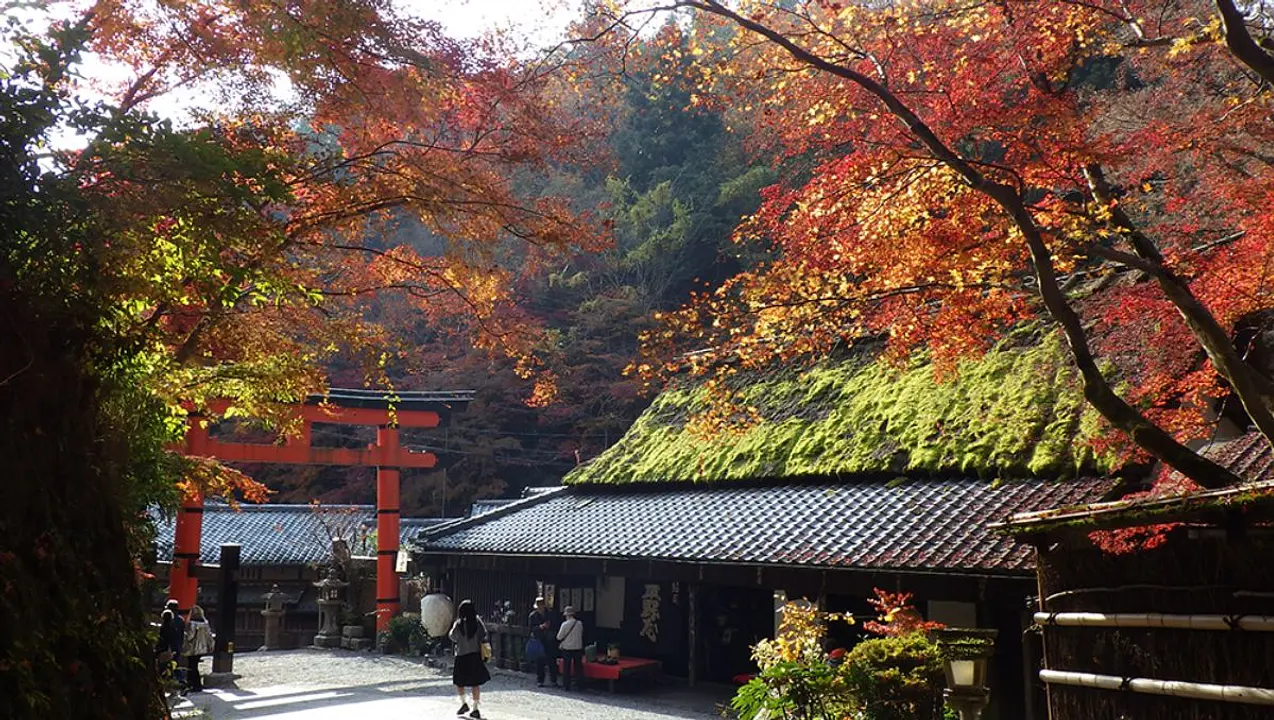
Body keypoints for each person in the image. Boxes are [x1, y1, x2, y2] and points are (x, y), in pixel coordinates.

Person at [449, 599, 490, 719]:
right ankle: (475, 708)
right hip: (474, 655)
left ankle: (463, 703)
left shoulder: (459, 624)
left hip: (461, 655)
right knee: (475, 683)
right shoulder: (477, 621)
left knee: (459, 682)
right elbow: (484, 634)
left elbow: (452, 636)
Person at [182, 605, 215, 692]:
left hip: (193, 648)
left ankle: (194, 684)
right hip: (202, 648)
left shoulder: (192, 623)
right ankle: (196, 684)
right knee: (194, 665)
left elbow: (190, 636)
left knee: (191, 666)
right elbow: (209, 636)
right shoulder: (205, 623)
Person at [527, 597, 559, 688]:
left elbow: (556, 625)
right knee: (539, 661)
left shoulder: (551, 614)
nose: (540, 608)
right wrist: (540, 627)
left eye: (541, 605)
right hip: (539, 640)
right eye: (538, 606)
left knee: (552, 660)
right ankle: (540, 680)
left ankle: (553, 679)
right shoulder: (533, 616)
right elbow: (531, 629)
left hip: (550, 640)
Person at [556, 606, 585, 692]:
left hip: (567, 648)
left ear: (566, 615)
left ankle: (566, 685)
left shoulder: (564, 624)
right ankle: (580, 684)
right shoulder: (579, 623)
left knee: (567, 667)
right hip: (578, 647)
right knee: (578, 667)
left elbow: (559, 637)